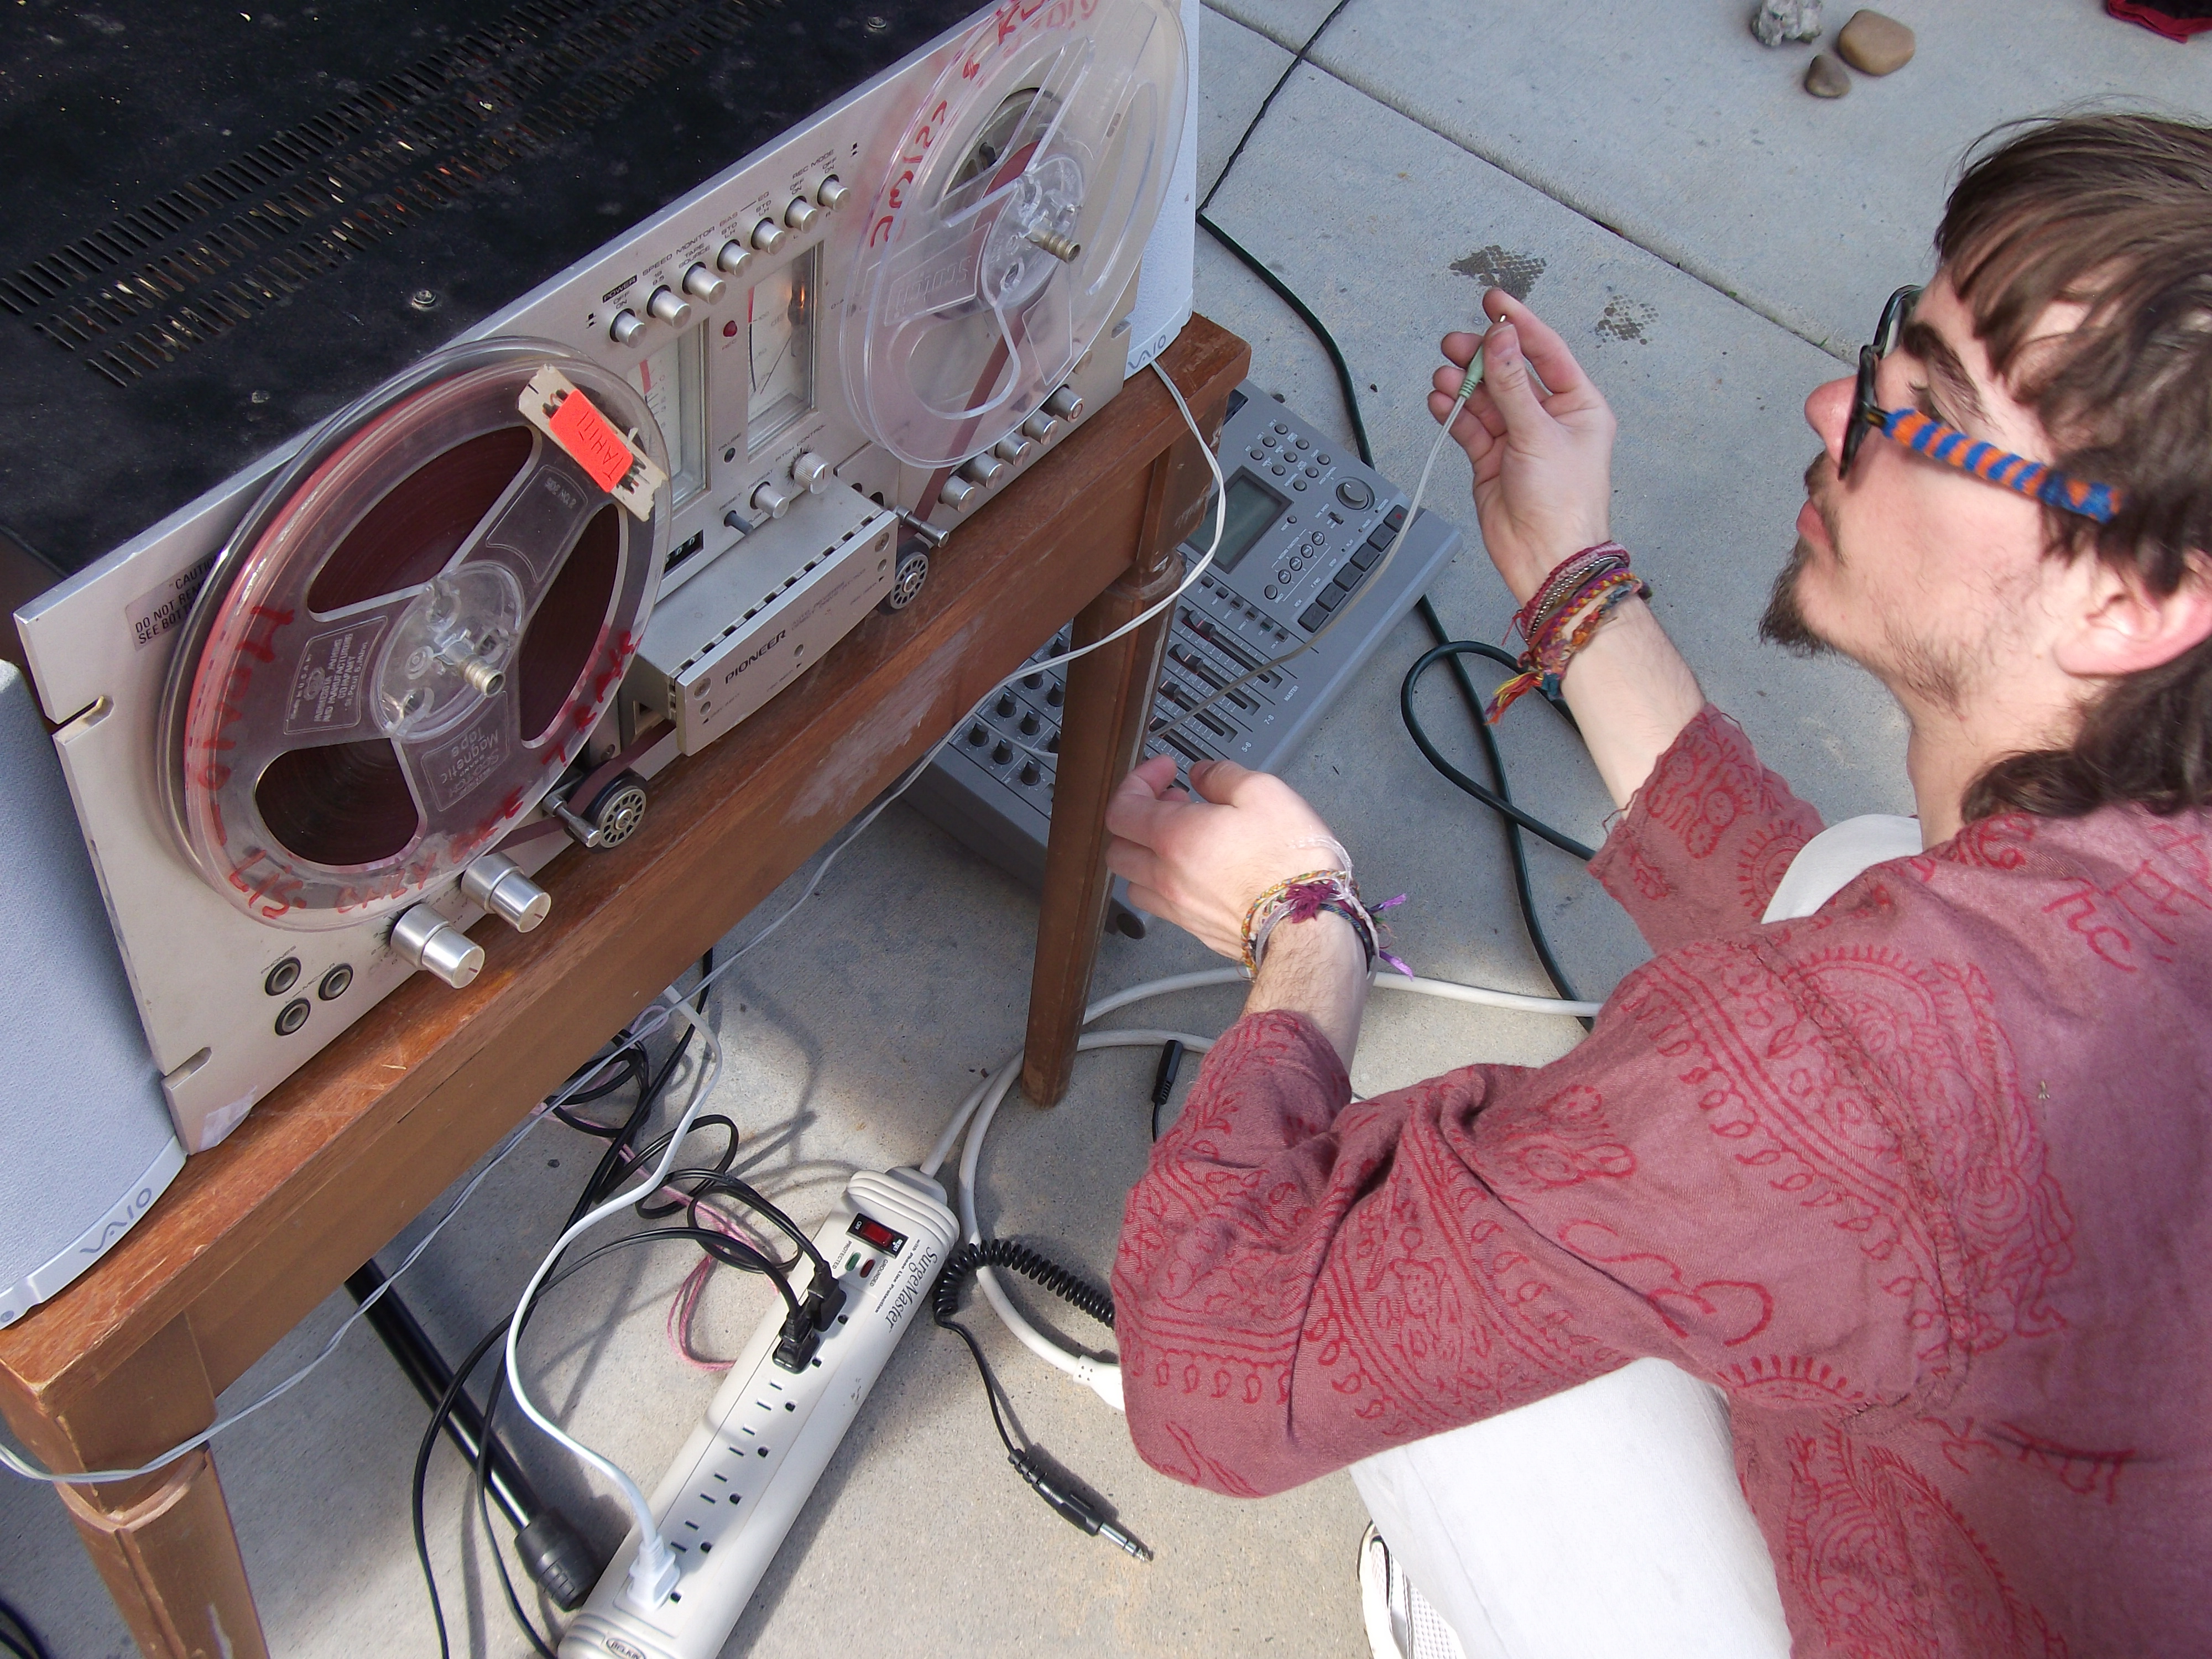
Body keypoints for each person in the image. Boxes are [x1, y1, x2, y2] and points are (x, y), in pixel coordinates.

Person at [1104, 113, 2212, 1659]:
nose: (1836, 402)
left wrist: (1304, 936)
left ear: (2132, 599)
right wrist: (1574, 583)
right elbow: (1838, 924)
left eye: (1929, 409)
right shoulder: (2126, 872)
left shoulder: (1872, 1070)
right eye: (1897, 348)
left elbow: (1212, 1360)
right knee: (1870, 884)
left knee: (1465, 1355)